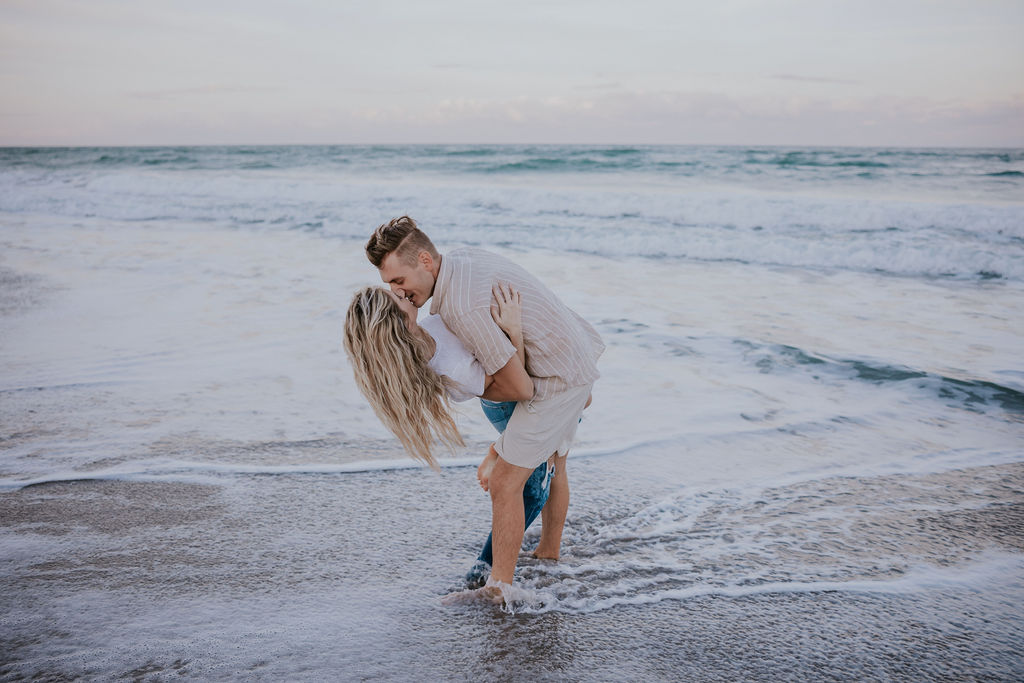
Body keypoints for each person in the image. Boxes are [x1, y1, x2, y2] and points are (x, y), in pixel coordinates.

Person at [365, 216, 604, 595]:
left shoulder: (460, 308)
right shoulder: (459, 261)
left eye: (399, 281)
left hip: (556, 377)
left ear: (425, 260)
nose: (399, 292)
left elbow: (518, 389)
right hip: (571, 352)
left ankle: (499, 589)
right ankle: (548, 553)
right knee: (555, 463)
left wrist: (497, 451)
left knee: (506, 481)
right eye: (391, 285)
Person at [342, 283, 554, 585]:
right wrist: (514, 330)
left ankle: (550, 550)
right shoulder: (449, 369)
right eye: (395, 297)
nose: (400, 291)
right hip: (510, 406)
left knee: (553, 466)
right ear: (397, 321)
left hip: (509, 399)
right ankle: (482, 573)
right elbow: (515, 385)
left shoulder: (426, 327)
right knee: (534, 491)